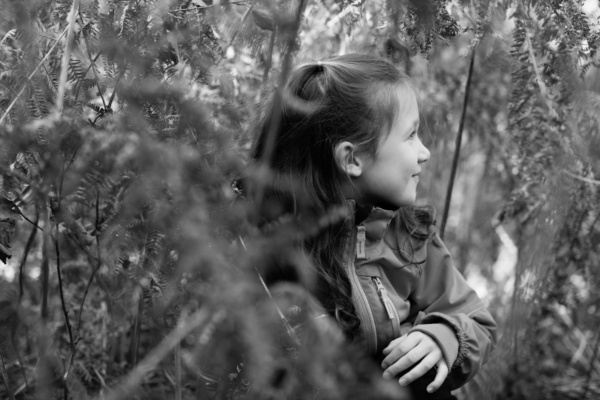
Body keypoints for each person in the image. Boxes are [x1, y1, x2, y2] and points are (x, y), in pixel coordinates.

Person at [247, 54, 496, 399]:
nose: (424, 152)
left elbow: (475, 319)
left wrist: (443, 338)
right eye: (410, 136)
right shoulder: (270, 245)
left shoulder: (411, 235)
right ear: (352, 159)